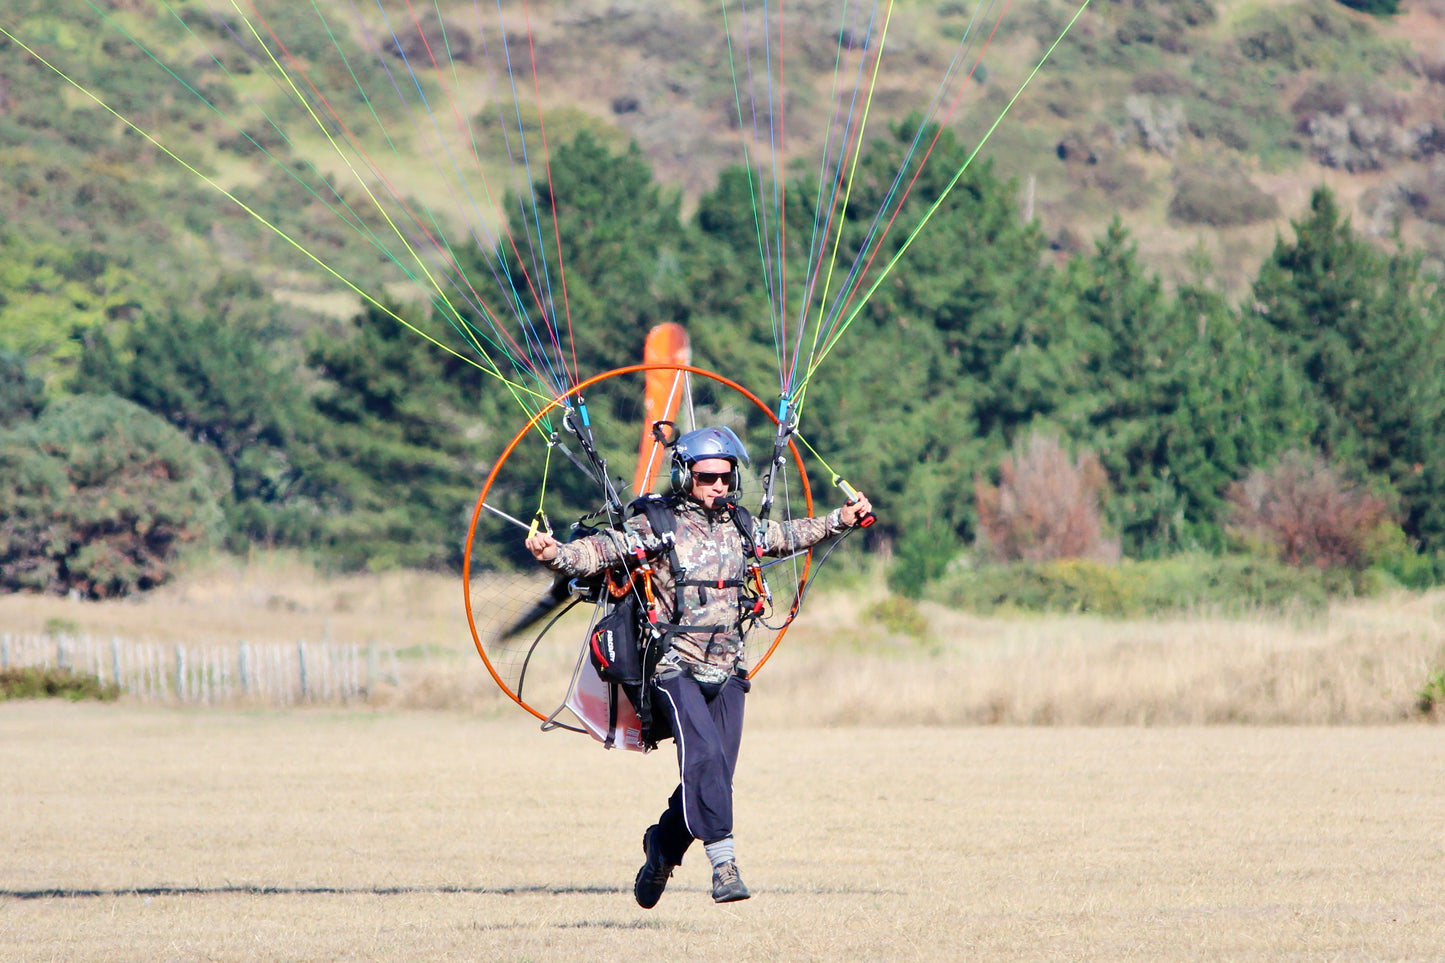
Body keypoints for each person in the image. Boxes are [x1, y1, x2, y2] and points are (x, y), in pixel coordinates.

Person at [524, 425, 872, 907]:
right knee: (704, 757)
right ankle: (724, 865)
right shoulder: (657, 524)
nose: (719, 487)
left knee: (715, 774)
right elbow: (602, 549)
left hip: (729, 670)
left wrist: (843, 518)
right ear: (685, 474)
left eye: (727, 478)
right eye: (708, 478)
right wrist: (556, 555)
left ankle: (662, 849)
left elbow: (790, 535)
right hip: (673, 669)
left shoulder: (741, 525)